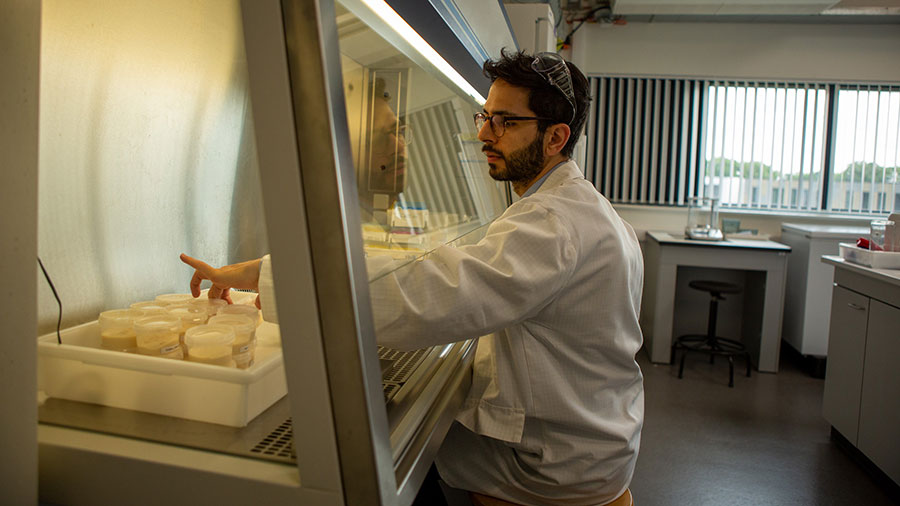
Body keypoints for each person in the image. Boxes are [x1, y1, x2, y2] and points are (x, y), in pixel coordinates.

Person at [181, 50, 644, 506]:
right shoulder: (585, 211)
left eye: (505, 122)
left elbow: (433, 294)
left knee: (374, 456)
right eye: (485, 115)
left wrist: (272, 273)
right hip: (591, 444)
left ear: (555, 137)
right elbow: (472, 275)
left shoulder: (553, 221)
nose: (483, 132)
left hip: (552, 465)